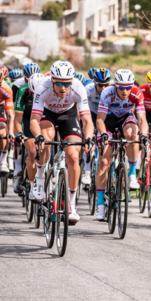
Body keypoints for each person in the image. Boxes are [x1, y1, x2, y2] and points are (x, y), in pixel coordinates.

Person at [29, 60, 94, 224]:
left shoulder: (78, 88)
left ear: (72, 81)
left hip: (69, 116)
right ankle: (39, 177)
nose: (63, 87)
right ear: (52, 80)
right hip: (48, 115)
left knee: (73, 156)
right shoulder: (42, 87)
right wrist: (38, 136)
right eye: (59, 83)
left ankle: (71, 204)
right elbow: (34, 120)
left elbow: (87, 120)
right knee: (46, 138)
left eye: (66, 83)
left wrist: (89, 139)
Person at [94, 69, 147, 220]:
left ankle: (131, 175)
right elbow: (99, 120)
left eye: (128, 87)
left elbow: (142, 119)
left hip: (125, 119)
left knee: (133, 135)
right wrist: (104, 134)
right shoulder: (107, 93)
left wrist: (144, 134)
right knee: (104, 162)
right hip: (108, 123)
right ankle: (100, 204)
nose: (125, 91)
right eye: (122, 88)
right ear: (115, 85)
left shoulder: (137, 93)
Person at [13, 72, 46, 195]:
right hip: (27, 118)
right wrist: (20, 133)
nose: (36, 96)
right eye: (33, 93)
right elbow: (17, 120)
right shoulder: (23, 91)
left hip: (42, 118)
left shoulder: (48, 91)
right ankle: (32, 186)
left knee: (47, 146)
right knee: (32, 150)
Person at [81, 67, 112, 185]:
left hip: (106, 116)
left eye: (106, 85)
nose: (103, 88)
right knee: (88, 141)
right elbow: (80, 107)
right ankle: (87, 171)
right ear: (94, 83)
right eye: (100, 85)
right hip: (91, 114)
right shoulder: (87, 90)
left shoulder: (113, 90)